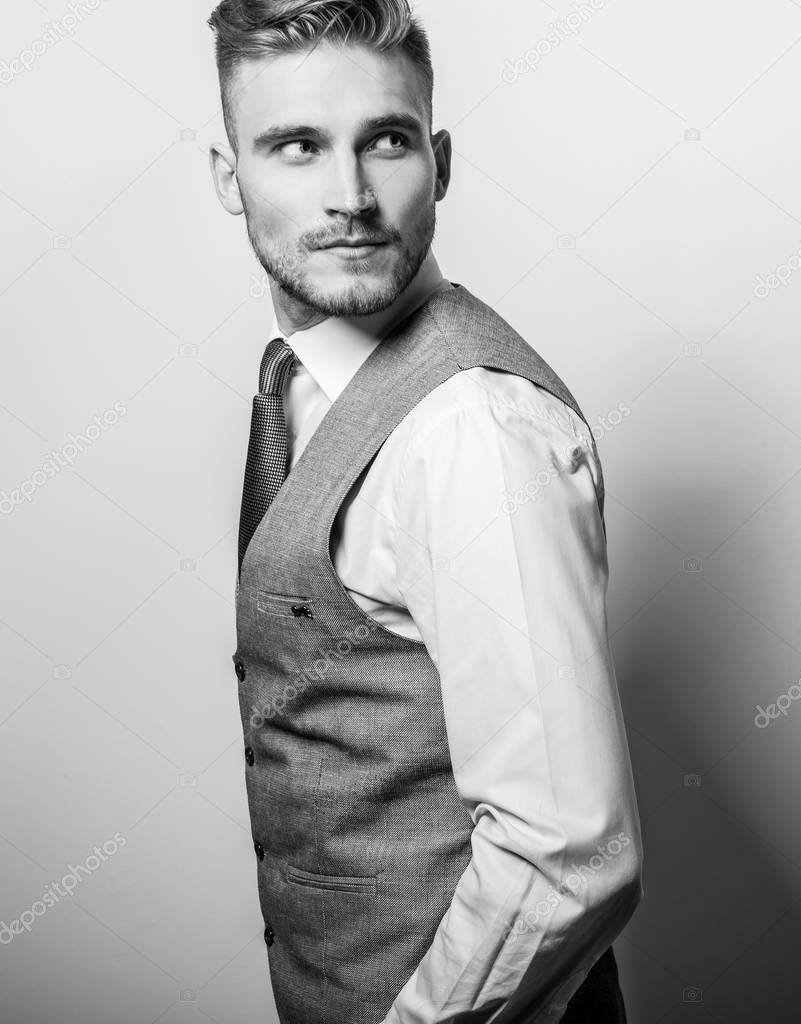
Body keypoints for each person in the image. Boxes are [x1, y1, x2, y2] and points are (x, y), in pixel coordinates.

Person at [206, 2, 643, 1021]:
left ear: (438, 162)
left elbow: (570, 853)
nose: (349, 196)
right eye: (297, 147)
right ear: (231, 179)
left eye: (386, 141)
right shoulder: (300, 382)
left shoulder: (470, 432)